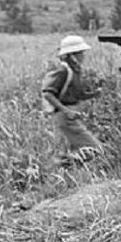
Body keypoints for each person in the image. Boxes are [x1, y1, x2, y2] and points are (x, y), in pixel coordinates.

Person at [41, 35, 104, 164]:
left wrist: (93, 94)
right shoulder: (62, 70)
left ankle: (62, 166)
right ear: (71, 55)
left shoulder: (75, 71)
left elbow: (77, 95)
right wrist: (65, 111)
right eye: (80, 53)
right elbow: (48, 93)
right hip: (65, 115)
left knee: (76, 148)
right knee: (95, 148)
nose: (83, 56)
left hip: (71, 114)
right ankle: (60, 165)